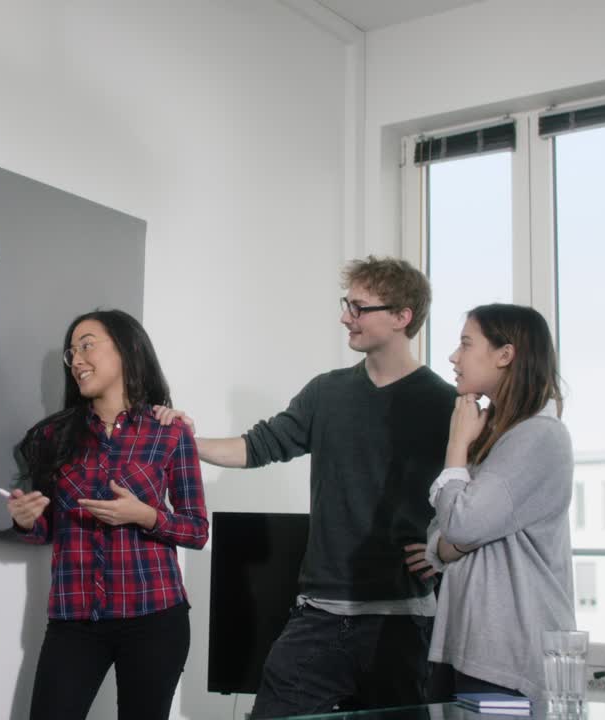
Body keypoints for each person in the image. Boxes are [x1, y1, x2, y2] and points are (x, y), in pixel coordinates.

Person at [158, 256, 457, 717]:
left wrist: (443, 546)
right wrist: (185, 440)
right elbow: (258, 446)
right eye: (346, 305)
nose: (345, 317)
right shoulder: (327, 392)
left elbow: (471, 493)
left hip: (400, 623)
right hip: (319, 615)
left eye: (359, 308)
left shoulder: (444, 404)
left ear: (402, 317)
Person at [5, 309, 209, 720]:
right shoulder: (52, 436)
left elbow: (197, 530)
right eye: (71, 353)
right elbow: (48, 529)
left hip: (155, 616)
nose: (77, 360)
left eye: (87, 346)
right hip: (75, 618)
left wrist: (145, 515)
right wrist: (27, 521)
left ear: (126, 351)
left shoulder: (169, 431)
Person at [406, 304, 576, 700]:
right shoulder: (502, 437)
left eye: (466, 344)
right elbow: (443, 531)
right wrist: (453, 539)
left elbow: (460, 524)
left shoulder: (539, 437)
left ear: (505, 354)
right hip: (471, 645)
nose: (453, 356)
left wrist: (456, 444)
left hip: (508, 655)